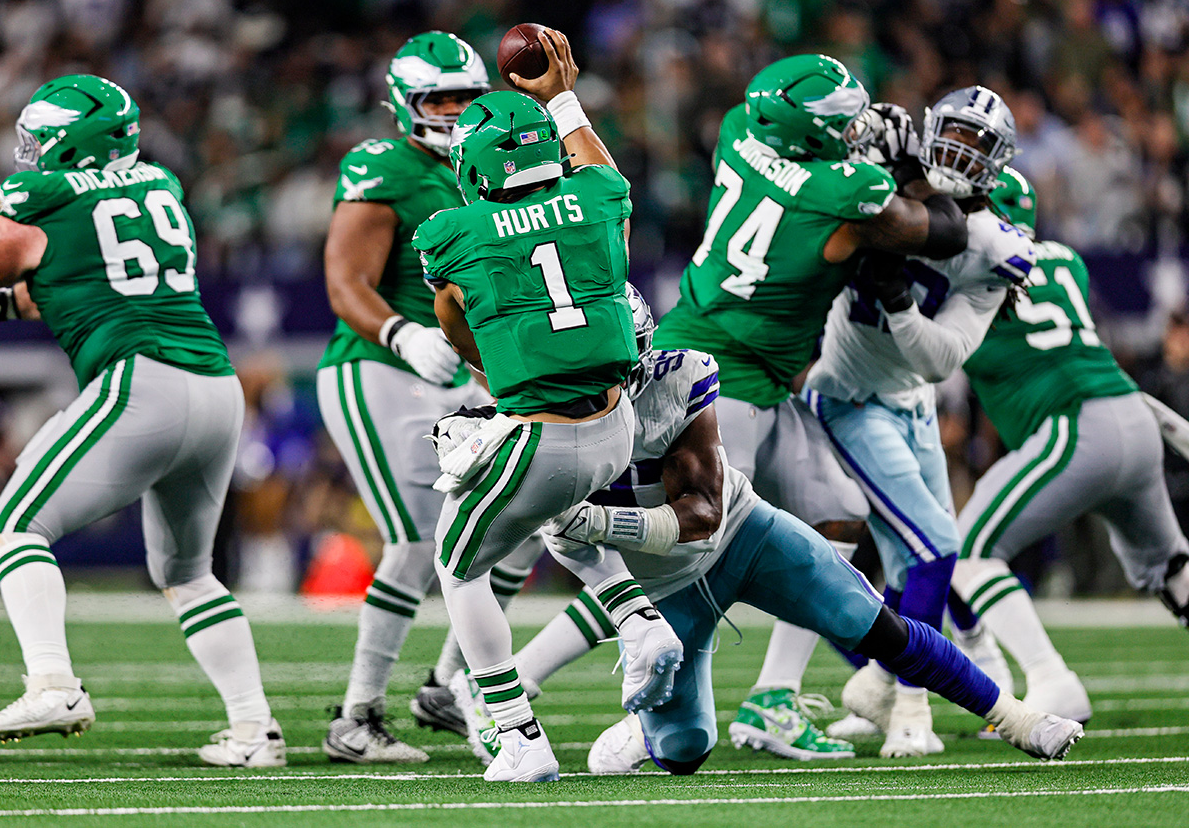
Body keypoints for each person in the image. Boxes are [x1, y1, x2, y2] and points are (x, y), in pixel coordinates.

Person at [459, 285, 1083, 775]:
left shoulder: (677, 380)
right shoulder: (533, 416)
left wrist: (595, 520)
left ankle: (1019, 719)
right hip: (666, 589)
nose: (607, 377)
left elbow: (702, 514)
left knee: (873, 625)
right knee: (684, 750)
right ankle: (646, 731)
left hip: (742, 536)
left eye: (617, 359)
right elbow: (558, 539)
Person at [0, 75, 282, 768]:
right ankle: (254, 730)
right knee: (191, 575)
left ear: (71, 147)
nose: (30, 155)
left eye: (41, 142)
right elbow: (84, 275)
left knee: (11, 525)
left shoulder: (45, 199)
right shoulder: (159, 185)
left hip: (140, 383)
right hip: (214, 387)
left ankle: (52, 683)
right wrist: (6, 301)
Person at [652, 54, 971, 759]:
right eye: (842, 121)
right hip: (724, 376)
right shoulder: (841, 189)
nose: (856, 129)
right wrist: (907, 166)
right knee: (685, 556)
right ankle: (539, 690)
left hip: (748, 373)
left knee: (837, 515)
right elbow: (943, 230)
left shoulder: (738, 128)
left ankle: (773, 695)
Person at [413, 29, 682, 783]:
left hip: (544, 435)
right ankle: (639, 620)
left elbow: (456, 321)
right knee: (558, 516)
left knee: (456, 564)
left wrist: (501, 375)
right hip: (617, 423)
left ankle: (517, 733)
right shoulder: (597, 196)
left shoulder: (451, 233)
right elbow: (603, 178)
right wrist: (563, 98)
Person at [316, 30, 531, 765]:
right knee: (413, 539)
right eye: (438, 99)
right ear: (403, 104)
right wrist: (402, 332)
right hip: (377, 367)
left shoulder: (486, 165)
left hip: (462, 372)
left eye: (466, 97)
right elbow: (344, 280)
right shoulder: (385, 166)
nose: (454, 111)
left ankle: (448, 684)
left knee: (522, 526)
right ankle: (357, 716)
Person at [805, 86, 1032, 756]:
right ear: (930, 132)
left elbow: (942, 359)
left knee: (919, 559)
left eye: (976, 144)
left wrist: (900, 302)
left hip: (912, 402)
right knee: (929, 545)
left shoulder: (992, 248)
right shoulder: (887, 186)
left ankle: (883, 683)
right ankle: (907, 701)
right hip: (848, 394)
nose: (959, 152)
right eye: (952, 134)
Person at [947, 167, 1189, 724]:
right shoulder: (1066, 260)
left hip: (1073, 426)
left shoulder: (966, 270)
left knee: (971, 552)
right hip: (1131, 416)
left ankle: (1051, 679)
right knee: (1171, 567)